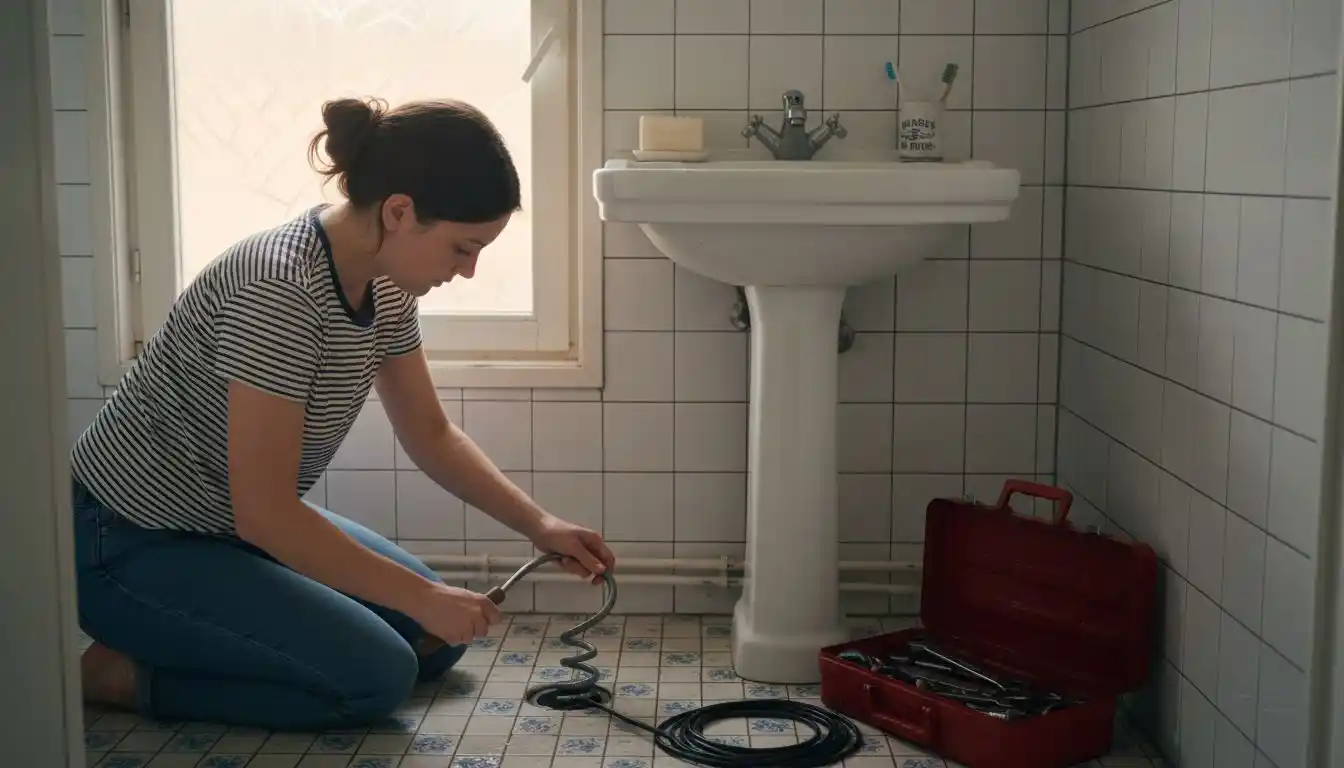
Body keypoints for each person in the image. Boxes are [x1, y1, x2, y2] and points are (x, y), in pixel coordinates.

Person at [71, 96, 615, 732]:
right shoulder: (278, 291)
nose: (468, 271)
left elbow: (431, 434)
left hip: (229, 528)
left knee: (437, 639)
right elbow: (266, 512)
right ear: (399, 211)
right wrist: (423, 595)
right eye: (462, 248)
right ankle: (116, 674)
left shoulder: (384, 281)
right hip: (129, 541)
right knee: (377, 676)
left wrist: (539, 524)